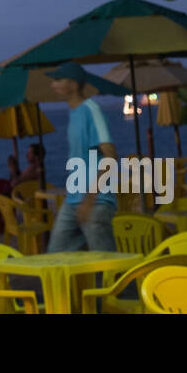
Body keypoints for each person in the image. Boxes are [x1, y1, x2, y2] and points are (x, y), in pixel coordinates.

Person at [47, 62, 121, 253]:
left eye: (58, 80)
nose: (52, 85)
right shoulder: (74, 113)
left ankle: (127, 284)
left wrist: (89, 199)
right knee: (55, 256)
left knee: (107, 265)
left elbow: (111, 156)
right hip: (73, 201)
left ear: (73, 84)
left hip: (96, 202)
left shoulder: (91, 110)